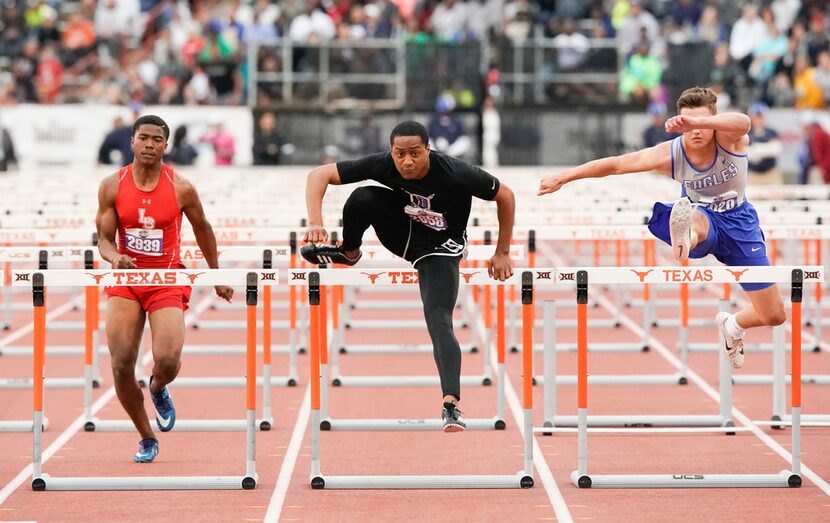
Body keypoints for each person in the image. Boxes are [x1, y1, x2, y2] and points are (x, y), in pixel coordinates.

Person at [539, 86, 786, 369]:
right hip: (703, 218)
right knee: (696, 218)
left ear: (711, 122)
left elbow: (744, 122)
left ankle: (732, 325)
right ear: (678, 124)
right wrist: (566, 176)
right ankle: (686, 239)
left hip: (741, 224)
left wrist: (699, 121)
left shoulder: (729, 139)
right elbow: (617, 165)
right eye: (687, 123)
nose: (694, 131)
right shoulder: (671, 153)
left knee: (774, 314)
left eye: (700, 123)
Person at [300, 120, 515, 432]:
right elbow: (319, 174)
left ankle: (451, 403)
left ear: (428, 149)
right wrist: (315, 222)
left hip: (441, 246)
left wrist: (502, 252)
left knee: (438, 317)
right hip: (402, 231)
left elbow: (505, 195)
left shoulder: (456, 172)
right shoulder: (384, 164)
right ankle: (348, 252)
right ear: (392, 151)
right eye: (400, 154)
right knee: (364, 196)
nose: (408, 161)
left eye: (415, 153)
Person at [95, 114, 233, 463]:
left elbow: (204, 230)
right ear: (132, 141)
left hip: (166, 280)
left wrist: (216, 275)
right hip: (128, 281)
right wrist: (115, 259)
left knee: (168, 359)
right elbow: (104, 240)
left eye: (157, 140)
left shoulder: (181, 187)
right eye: (143, 138)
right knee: (122, 362)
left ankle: (157, 387)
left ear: (165, 145)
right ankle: (146, 437)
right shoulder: (112, 185)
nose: (149, 145)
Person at [746, 102, 783, 185]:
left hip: (771, 173)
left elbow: (776, 150)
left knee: (776, 196)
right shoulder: (747, 134)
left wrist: (756, 149)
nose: (758, 120)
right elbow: (745, 153)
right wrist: (766, 148)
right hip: (753, 174)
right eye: (756, 117)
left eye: (760, 117)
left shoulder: (772, 132)